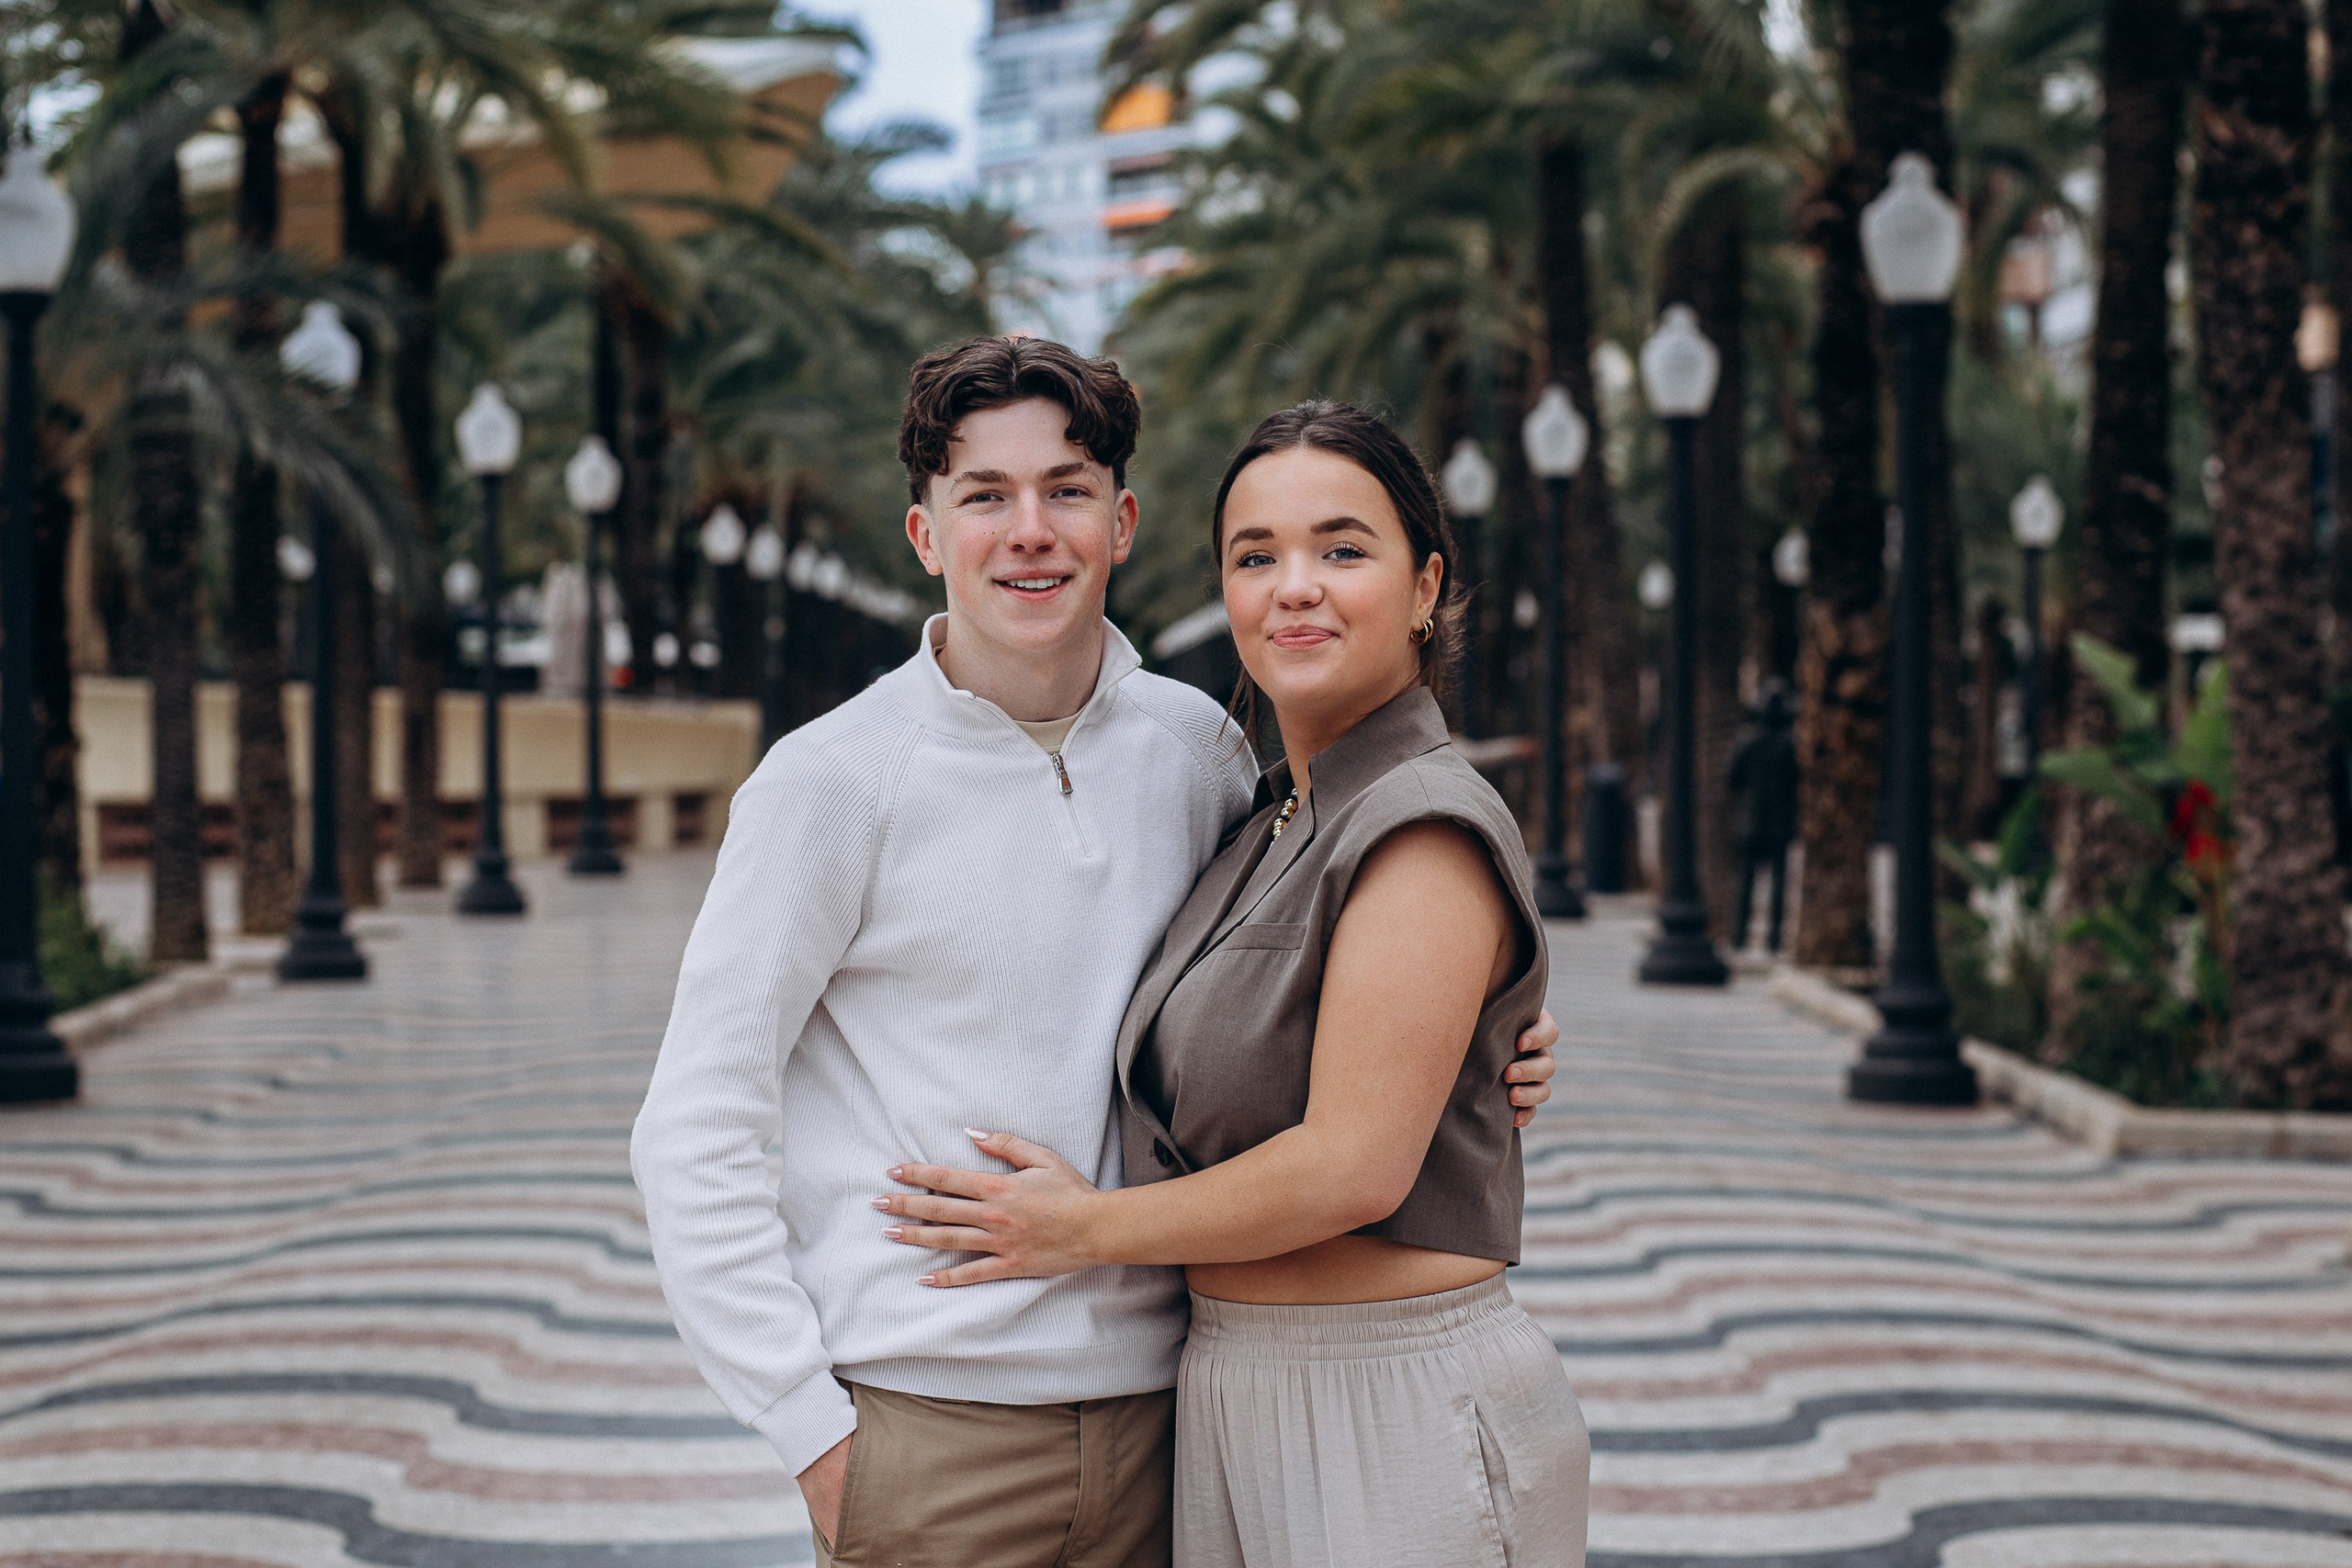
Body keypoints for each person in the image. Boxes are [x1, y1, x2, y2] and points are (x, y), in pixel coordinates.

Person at [630, 339, 1559, 1568]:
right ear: (925, 534)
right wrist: (813, 1432)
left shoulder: (1202, 756)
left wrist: (1489, 1033)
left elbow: (1308, 979)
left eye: (1066, 490)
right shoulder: (830, 781)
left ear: (1120, 522)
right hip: (934, 1438)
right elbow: (695, 1117)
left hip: (1183, 1419)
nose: (1030, 530)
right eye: (984, 496)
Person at [878, 400, 1590, 1568]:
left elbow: (1352, 1166)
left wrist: (1080, 1231)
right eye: (1255, 558)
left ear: (1425, 587)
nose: (1293, 586)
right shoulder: (1266, 818)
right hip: (1230, 1392)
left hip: (1389, 1402)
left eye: (1342, 549)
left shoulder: (1419, 823)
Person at [1727, 680, 1799, 953]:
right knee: (1778, 884)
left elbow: (1732, 778)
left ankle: (1739, 937)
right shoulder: (1787, 744)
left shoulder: (1747, 741)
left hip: (1752, 821)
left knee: (1746, 881)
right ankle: (1774, 940)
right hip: (1779, 823)